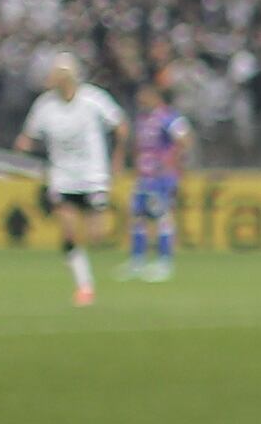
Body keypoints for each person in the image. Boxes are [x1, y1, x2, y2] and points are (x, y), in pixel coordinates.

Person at [17, 56, 128, 306]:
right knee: (68, 231)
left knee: (96, 236)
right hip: (62, 177)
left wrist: (118, 158)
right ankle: (84, 286)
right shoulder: (44, 106)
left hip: (93, 175)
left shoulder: (93, 99)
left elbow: (120, 125)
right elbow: (28, 135)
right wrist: (24, 146)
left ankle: (92, 275)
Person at [125, 75, 191, 284]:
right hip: (145, 177)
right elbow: (139, 147)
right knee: (138, 217)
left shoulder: (168, 117)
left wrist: (171, 163)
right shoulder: (143, 119)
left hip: (161, 177)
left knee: (162, 217)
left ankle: (165, 262)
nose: (140, 99)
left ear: (154, 95)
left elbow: (185, 140)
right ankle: (137, 261)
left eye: (143, 95)